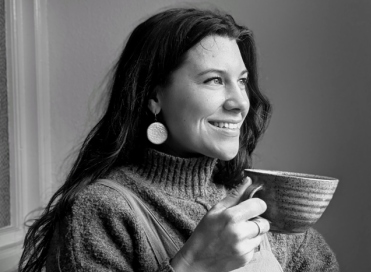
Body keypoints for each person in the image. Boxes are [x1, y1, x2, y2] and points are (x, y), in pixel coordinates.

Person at [19, 7, 339, 272]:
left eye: (241, 81)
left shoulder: (268, 210)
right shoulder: (102, 212)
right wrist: (192, 264)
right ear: (154, 96)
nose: (240, 102)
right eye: (214, 80)